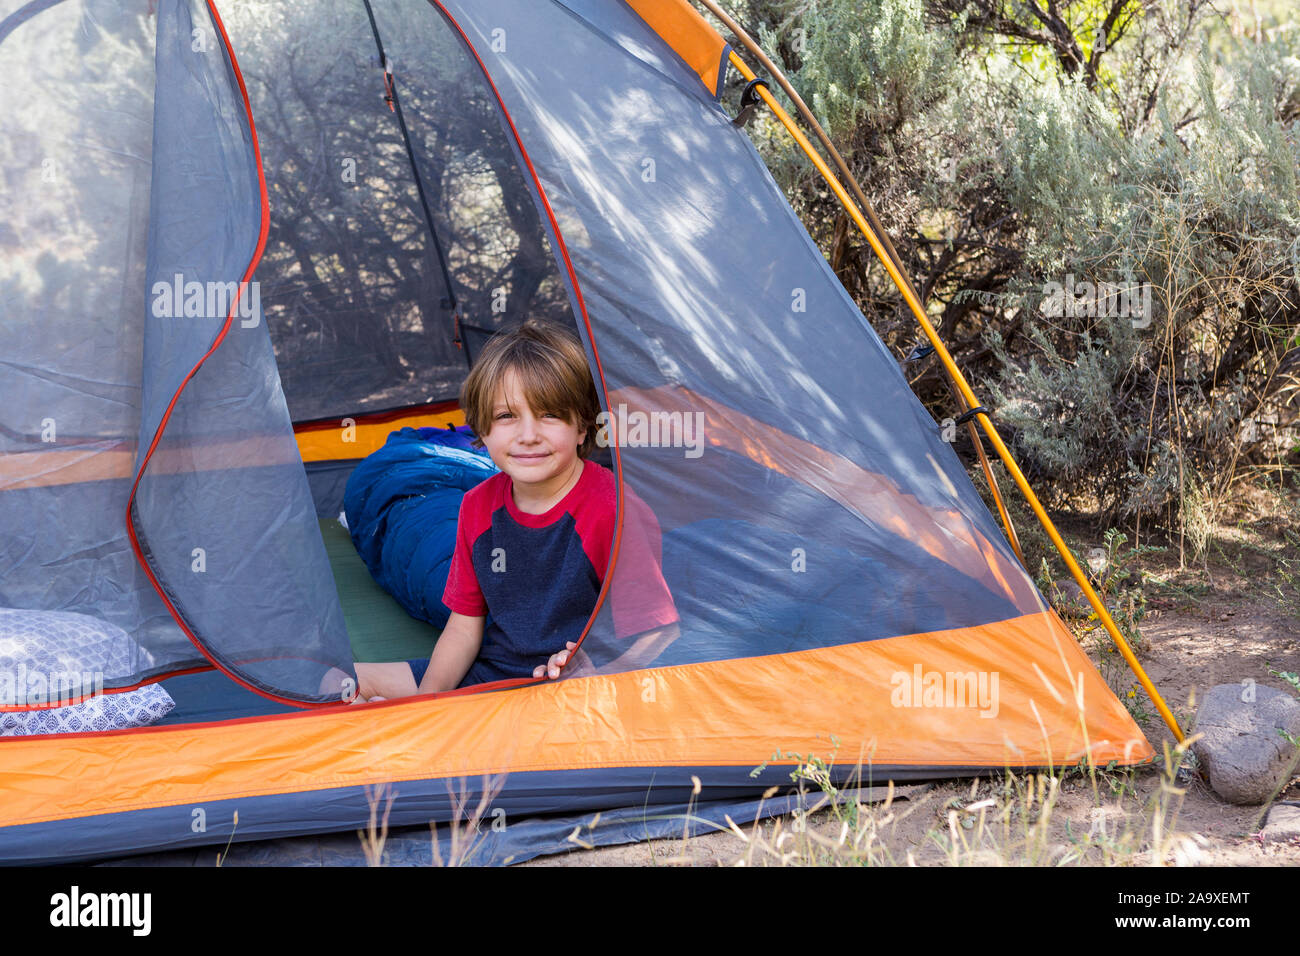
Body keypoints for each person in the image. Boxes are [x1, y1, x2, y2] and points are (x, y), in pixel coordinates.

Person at [350, 320, 678, 702]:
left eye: (550, 414)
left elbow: (660, 631)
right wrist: (429, 704)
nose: (528, 435)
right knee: (336, 685)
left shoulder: (612, 509)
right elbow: (464, 627)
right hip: (494, 675)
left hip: (571, 688)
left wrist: (602, 677)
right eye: (507, 416)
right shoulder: (477, 506)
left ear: (583, 427)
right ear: (482, 430)